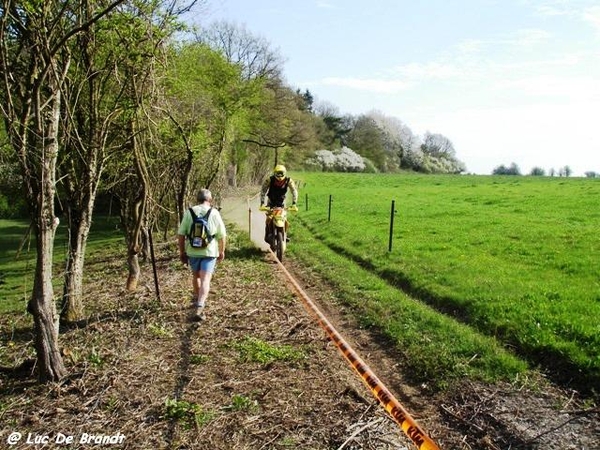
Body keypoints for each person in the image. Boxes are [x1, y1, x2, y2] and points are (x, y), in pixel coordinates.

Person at [177, 188, 226, 321]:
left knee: (196, 276)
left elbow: (181, 234)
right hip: (209, 252)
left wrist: (182, 252)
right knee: (206, 279)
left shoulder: (189, 212)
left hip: (193, 251)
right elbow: (222, 235)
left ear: (197, 199)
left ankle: (198, 301)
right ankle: (200, 304)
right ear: (210, 200)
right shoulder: (214, 213)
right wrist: (222, 251)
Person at [260, 165, 298, 242]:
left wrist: (294, 203)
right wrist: (262, 203)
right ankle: (268, 234)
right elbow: (263, 191)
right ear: (275, 173)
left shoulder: (289, 180)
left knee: (284, 217)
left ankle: (284, 234)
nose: (280, 176)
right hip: (271, 202)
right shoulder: (269, 180)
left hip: (282, 202)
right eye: (278, 173)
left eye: (281, 173)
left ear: (285, 173)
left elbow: (294, 191)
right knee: (269, 218)